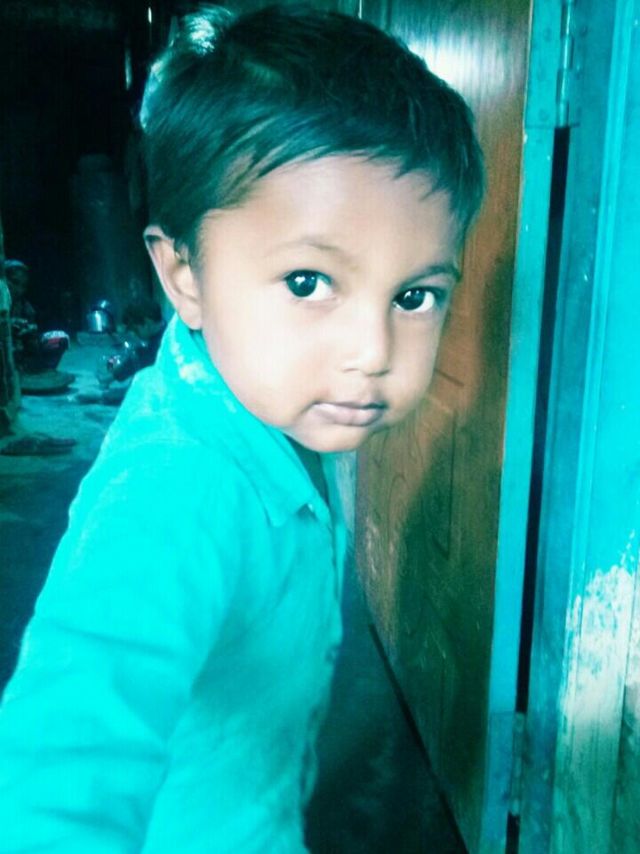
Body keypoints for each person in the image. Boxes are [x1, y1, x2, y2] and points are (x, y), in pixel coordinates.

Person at [0, 5, 484, 852]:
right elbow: (60, 771)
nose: (372, 353)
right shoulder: (177, 490)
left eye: (414, 296)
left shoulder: (267, 407)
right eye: (308, 282)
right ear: (183, 274)